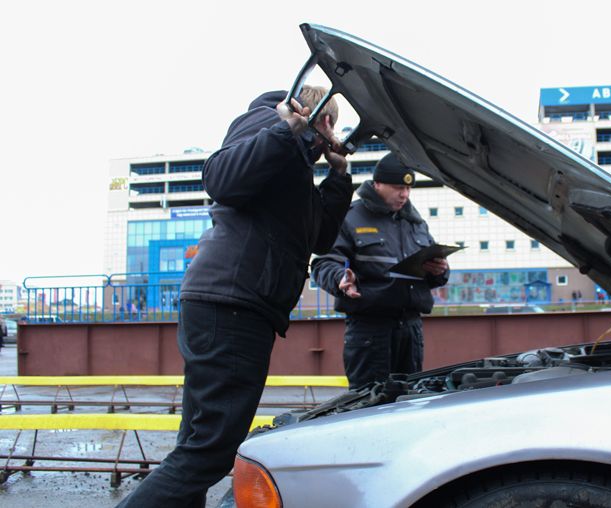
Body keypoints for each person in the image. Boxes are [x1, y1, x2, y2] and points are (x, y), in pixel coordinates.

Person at [115, 86, 353, 508]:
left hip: (233, 302)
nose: (328, 137)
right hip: (233, 305)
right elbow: (221, 178)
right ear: (320, 117)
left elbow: (318, 236)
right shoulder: (268, 124)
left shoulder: (296, 161)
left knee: (196, 443)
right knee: (209, 450)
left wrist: (337, 178)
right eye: (328, 124)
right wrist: (285, 130)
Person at [311, 153, 449, 389]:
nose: (404, 194)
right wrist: (341, 278)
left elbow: (436, 274)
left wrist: (439, 270)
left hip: (411, 330)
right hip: (370, 332)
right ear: (377, 184)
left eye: (408, 188)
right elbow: (323, 263)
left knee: (410, 402)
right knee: (369, 404)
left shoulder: (415, 223)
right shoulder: (350, 217)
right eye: (397, 187)